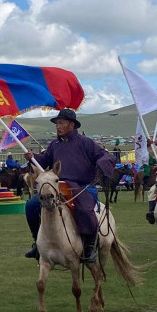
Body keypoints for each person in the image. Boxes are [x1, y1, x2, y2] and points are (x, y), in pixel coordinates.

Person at [23, 109, 116, 262]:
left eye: (61, 123)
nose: (57, 126)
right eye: (56, 123)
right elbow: (43, 162)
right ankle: (37, 244)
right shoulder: (55, 145)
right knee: (31, 206)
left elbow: (106, 156)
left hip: (82, 187)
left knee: (85, 210)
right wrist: (32, 158)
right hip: (59, 187)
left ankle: (89, 248)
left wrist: (101, 164)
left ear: (71, 125)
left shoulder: (86, 142)